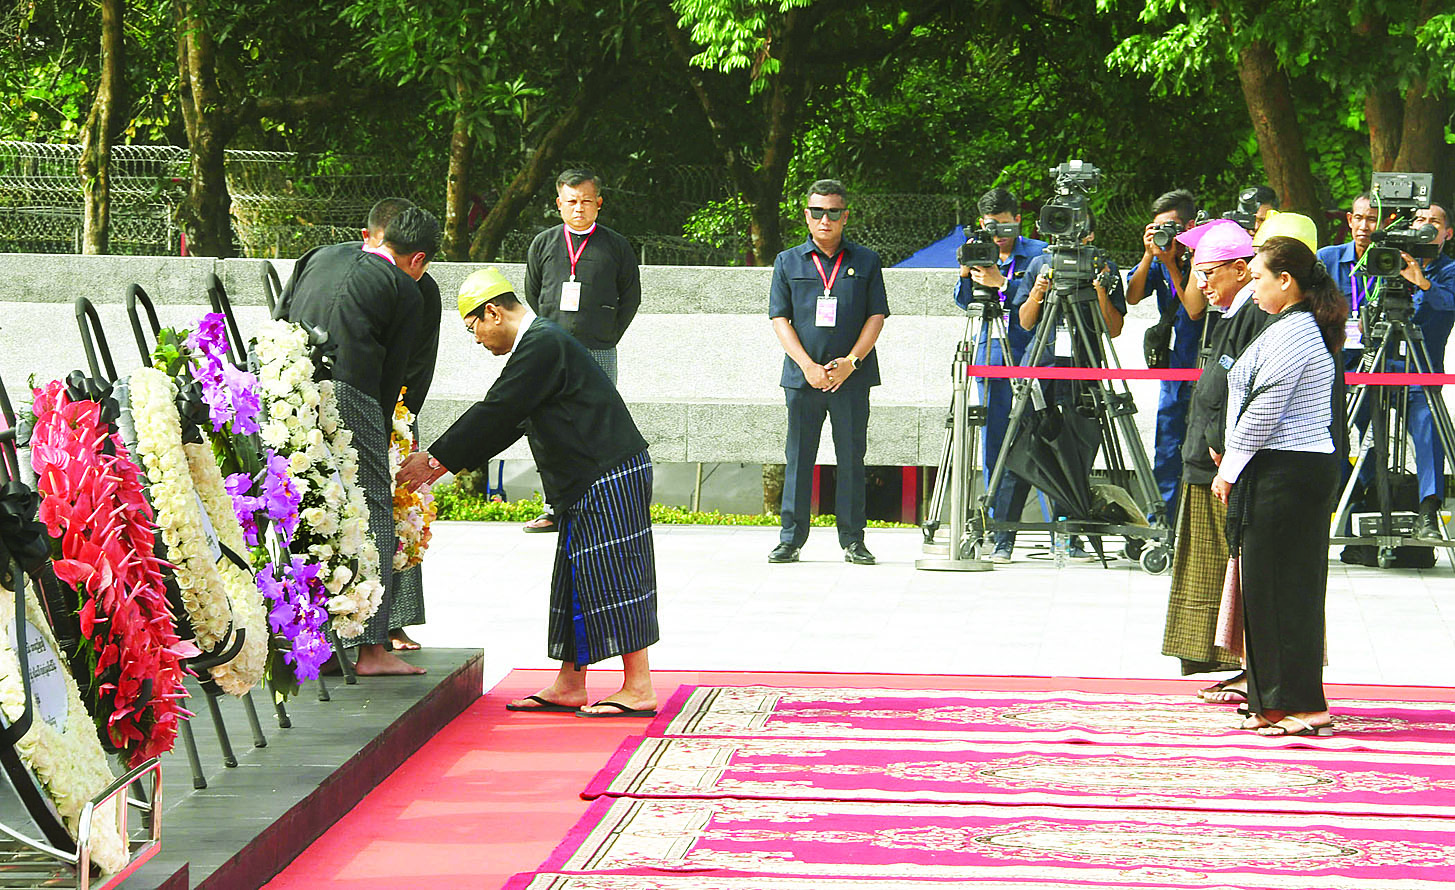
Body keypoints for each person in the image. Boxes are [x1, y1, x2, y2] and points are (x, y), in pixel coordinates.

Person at [399, 268, 659, 716]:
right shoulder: (541, 344)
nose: (477, 339)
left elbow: (497, 410)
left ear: (493, 312)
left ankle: (639, 687)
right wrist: (442, 464)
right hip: (587, 479)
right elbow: (508, 421)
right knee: (576, 582)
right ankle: (570, 684)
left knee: (616, 577)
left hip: (608, 472)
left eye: (473, 328)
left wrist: (435, 458)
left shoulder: (542, 344)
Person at [281, 206, 441, 676]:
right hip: (353, 394)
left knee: (304, 505)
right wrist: (385, 432)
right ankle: (372, 649)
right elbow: (394, 373)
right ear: (418, 258)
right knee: (372, 508)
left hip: (291, 386)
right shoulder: (407, 289)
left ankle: (309, 640)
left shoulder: (319, 255)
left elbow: (281, 317)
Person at [1212, 235, 1345, 737]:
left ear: (1285, 280)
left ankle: (1296, 704)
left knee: (1282, 590)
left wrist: (1229, 469)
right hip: (1283, 469)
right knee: (1273, 588)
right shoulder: (1290, 325)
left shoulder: (1296, 331)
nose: (1252, 286)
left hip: (1288, 470)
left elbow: (1264, 410)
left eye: (1258, 277)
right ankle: (1277, 700)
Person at [1159, 219, 1270, 699]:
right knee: (1212, 569)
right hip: (1208, 461)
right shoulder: (1231, 314)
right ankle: (1237, 665)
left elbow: (1250, 392)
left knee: (1240, 568)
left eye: (1209, 273)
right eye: (1197, 272)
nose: (1201, 283)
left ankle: (1253, 668)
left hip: (1228, 463)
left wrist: (1223, 445)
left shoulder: (1258, 314)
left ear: (1242, 270)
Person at [768, 179, 889, 566]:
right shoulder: (788, 261)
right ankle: (790, 539)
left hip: (850, 378)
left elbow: (876, 316)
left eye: (833, 212)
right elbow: (779, 319)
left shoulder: (866, 261)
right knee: (799, 458)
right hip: (803, 378)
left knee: (851, 458)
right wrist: (807, 366)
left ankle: (853, 540)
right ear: (807, 215)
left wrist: (851, 362)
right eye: (818, 212)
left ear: (845, 216)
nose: (825, 219)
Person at [521, 169, 643, 534]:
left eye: (586, 201)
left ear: (599, 203)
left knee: (599, 427)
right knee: (549, 426)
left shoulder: (615, 246)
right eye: (571, 201)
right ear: (559, 204)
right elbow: (533, 292)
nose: (579, 208)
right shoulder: (543, 243)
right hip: (551, 350)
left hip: (598, 348)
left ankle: (600, 506)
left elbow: (630, 297)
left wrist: (607, 334)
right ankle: (554, 506)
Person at [1010, 212, 1125, 561]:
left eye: (1080, 231)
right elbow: (1025, 322)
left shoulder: (1102, 266)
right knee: (1027, 443)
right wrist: (1038, 291)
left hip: (1083, 367)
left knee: (1078, 453)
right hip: (1042, 367)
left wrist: (1098, 288)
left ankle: (1070, 534)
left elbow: (1113, 328)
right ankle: (1003, 538)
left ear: (1090, 236)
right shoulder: (1040, 264)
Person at [360, 198, 440, 653]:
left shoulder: (421, 289)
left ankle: (396, 620)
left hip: (398, 410)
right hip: (355, 402)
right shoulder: (356, 273)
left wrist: (401, 416)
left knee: (405, 510)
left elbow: (419, 361)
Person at [952, 188, 1048, 563]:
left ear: (1018, 220)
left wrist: (1002, 283)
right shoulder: (977, 249)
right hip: (990, 357)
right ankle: (996, 528)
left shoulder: (1038, 254)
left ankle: (1059, 528)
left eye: (1005, 225)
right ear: (981, 223)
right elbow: (964, 301)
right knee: (995, 443)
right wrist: (967, 272)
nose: (998, 234)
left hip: (1031, 355)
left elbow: (1042, 302)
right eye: (992, 226)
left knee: (1040, 441)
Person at [1126, 190, 1204, 519]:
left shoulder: (1206, 258)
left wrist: (1173, 264)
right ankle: (1163, 520)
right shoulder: (1159, 259)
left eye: (1171, 227)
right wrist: (1149, 255)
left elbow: (1195, 309)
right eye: (1158, 227)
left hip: (1205, 360)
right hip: (1174, 366)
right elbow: (1132, 296)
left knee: (1205, 446)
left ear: (1190, 225)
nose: (1166, 234)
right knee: (1168, 444)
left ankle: (1199, 523)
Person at [1402, 203, 1454, 540]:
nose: (1425, 225)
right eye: (1419, 219)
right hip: (1381, 366)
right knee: (1355, 423)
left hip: (1424, 369)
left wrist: (1423, 284)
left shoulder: (1450, 270)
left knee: (1428, 427)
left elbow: (1450, 302)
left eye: (1434, 221)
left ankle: (1428, 510)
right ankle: (1363, 494)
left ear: (1447, 233)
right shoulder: (1391, 262)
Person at [1316, 193, 1380, 367]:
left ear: (1385, 224)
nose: (1364, 227)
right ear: (1350, 220)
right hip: (1335, 355)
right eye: (1358, 218)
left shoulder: (1395, 265)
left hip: (1379, 357)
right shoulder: (1327, 258)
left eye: (1372, 219)